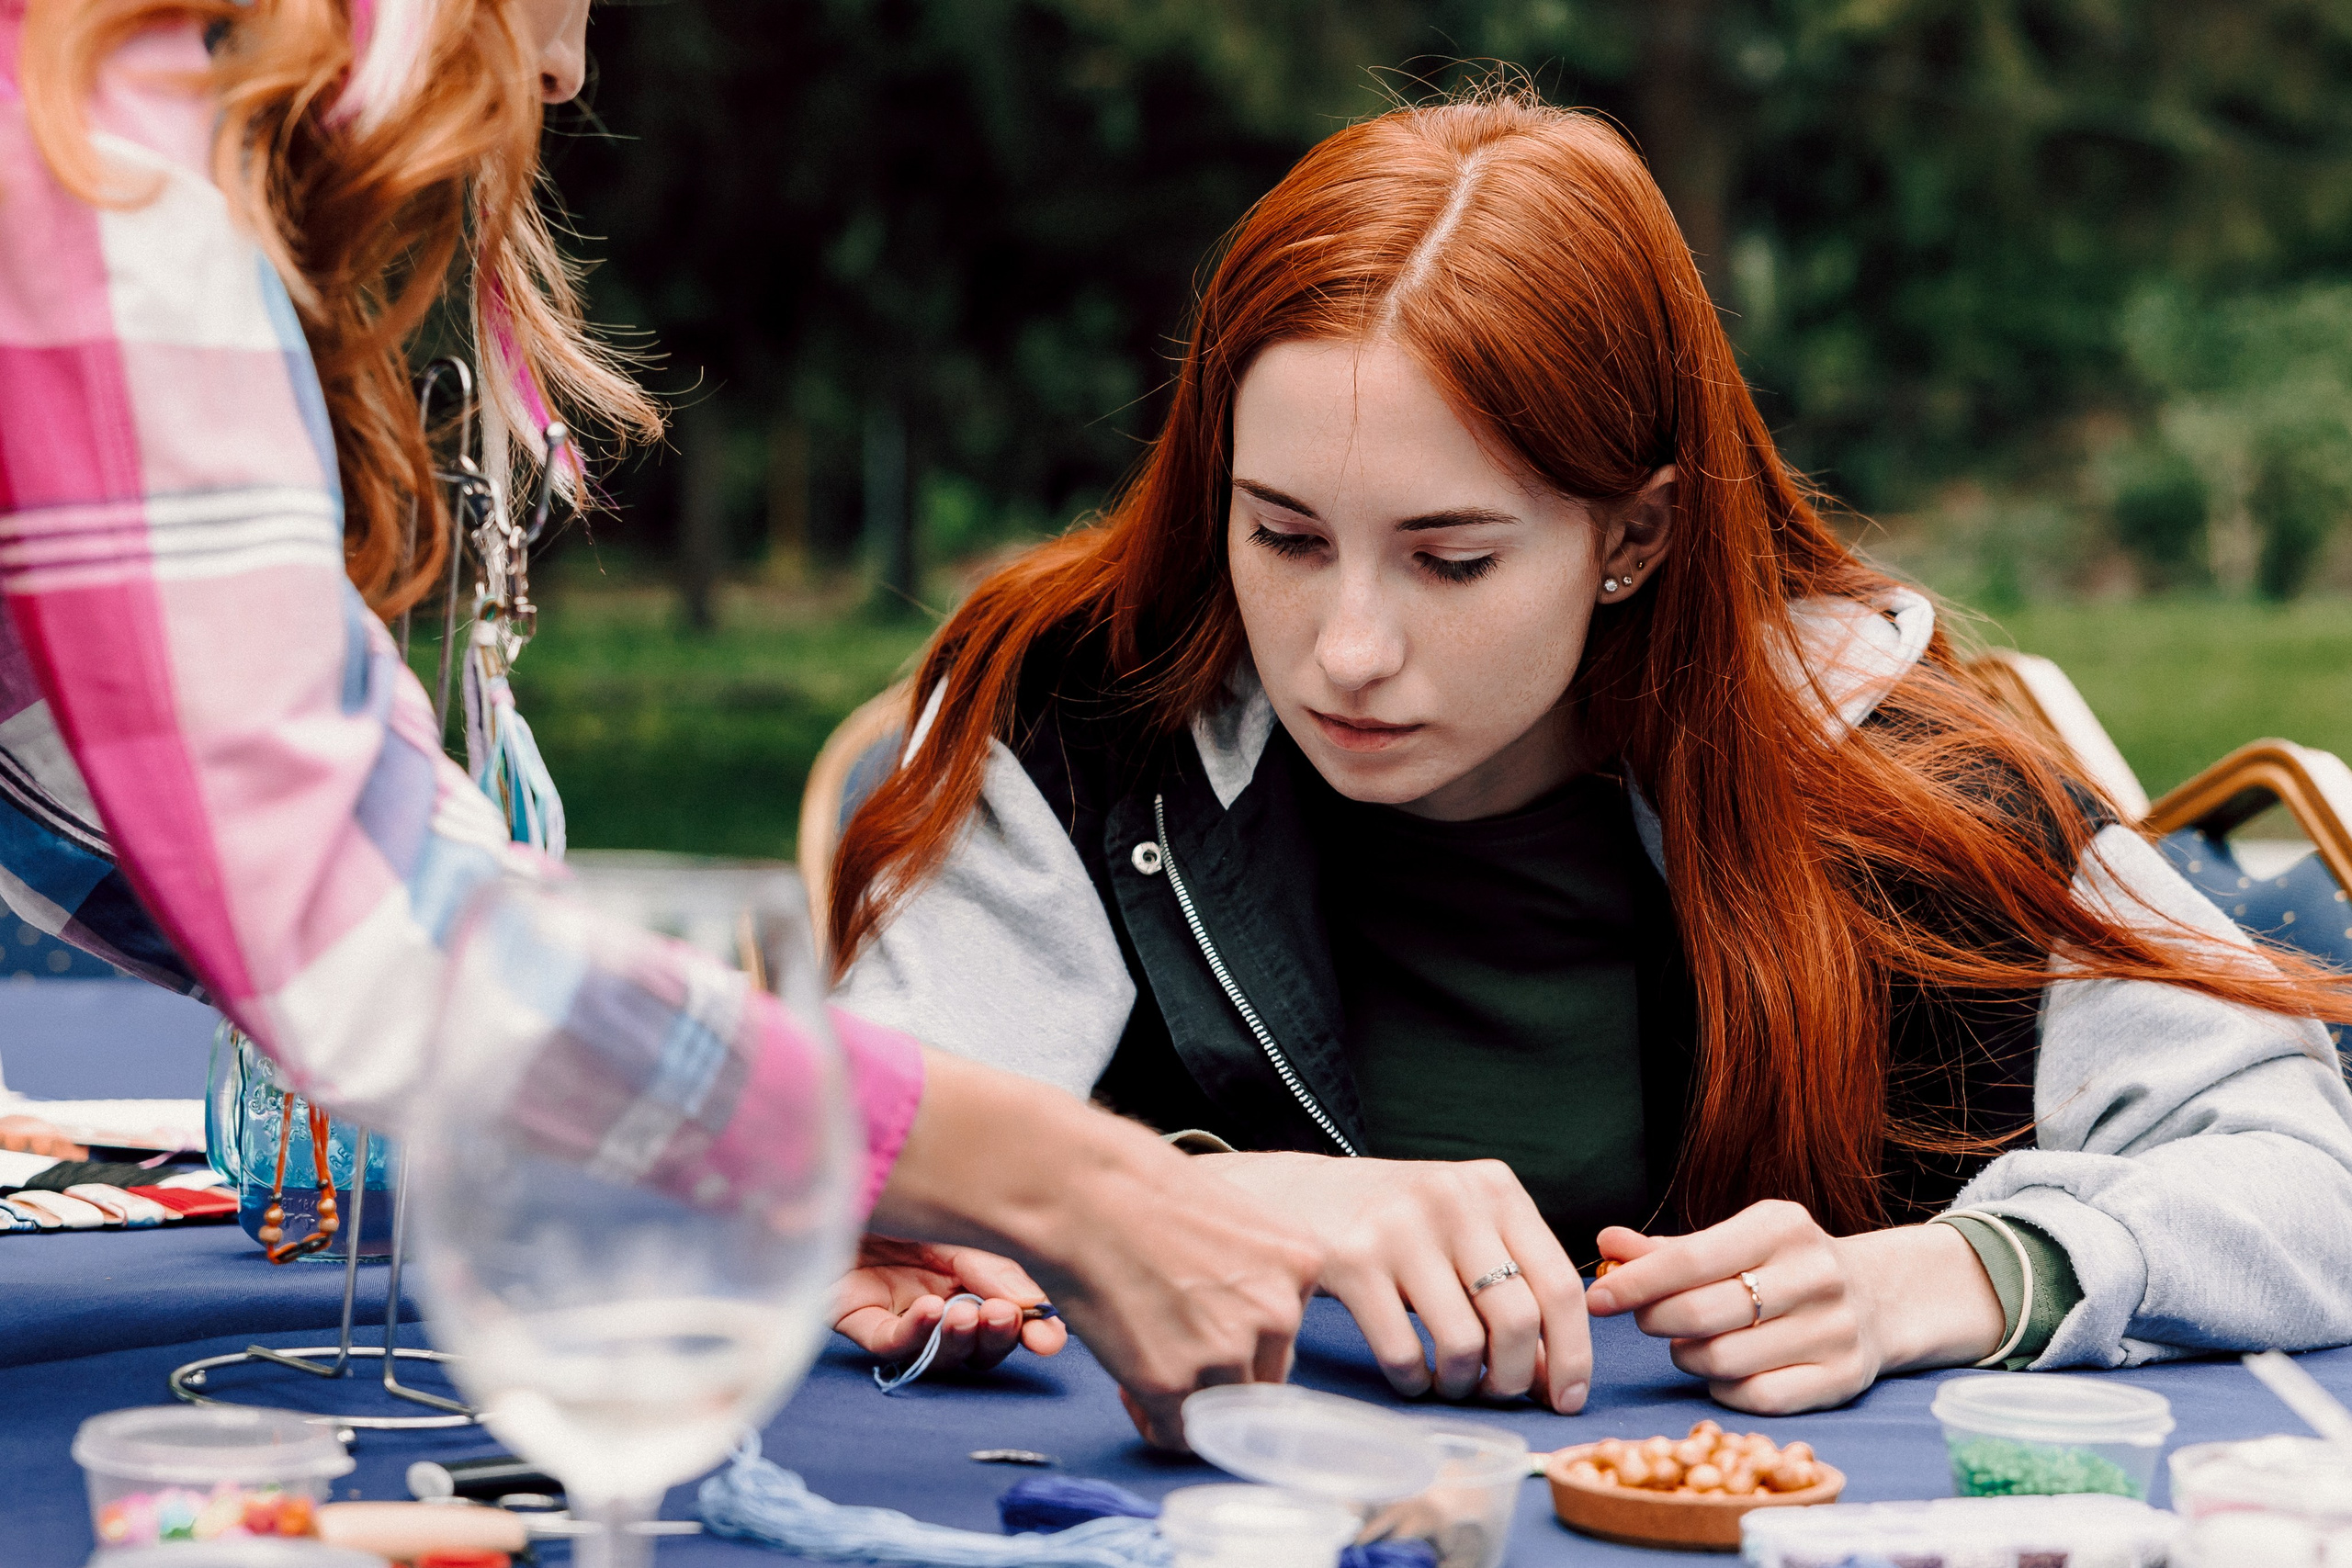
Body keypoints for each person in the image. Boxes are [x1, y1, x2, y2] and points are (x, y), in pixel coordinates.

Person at [825, 91, 2352, 1417]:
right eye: (1284, 533)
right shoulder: (1097, 725)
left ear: (1637, 534)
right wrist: (1210, 1204)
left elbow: (2308, 1176)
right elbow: (829, 1136)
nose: (1344, 646)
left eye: (1451, 559)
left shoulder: (1894, 782)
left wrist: (1944, 1279)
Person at [0, 0, 1318, 1447]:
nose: (566, 69)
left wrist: (796, 1158)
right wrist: (1058, 1179)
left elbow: (188, 809)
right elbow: (350, 922)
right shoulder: (88, 166)